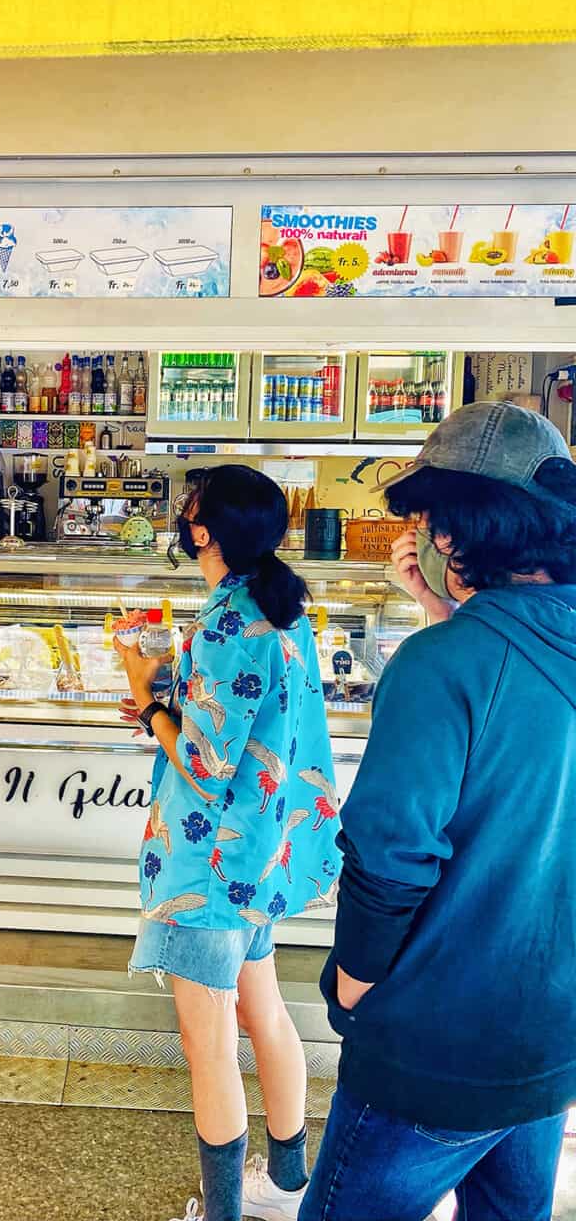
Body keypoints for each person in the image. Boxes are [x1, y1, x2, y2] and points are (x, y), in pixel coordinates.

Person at [300, 402, 576, 1221]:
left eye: (426, 518)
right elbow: (522, 711)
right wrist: (445, 612)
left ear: (459, 528)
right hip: (549, 1041)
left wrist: (352, 989)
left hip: (435, 1049)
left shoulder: (438, 666)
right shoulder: (483, 647)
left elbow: (389, 860)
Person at [114, 465, 342, 1221]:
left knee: (206, 1040)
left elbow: (208, 768)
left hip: (209, 866)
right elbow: (256, 724)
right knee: (264, 1009)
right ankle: (286, 1180)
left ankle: (223, 1212)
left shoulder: (224, 622)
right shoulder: (282, 606)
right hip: (263, 854)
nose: (184, 516)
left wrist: (151, 703)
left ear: (204, 531)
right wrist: (167, 704)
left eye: (191, 509)